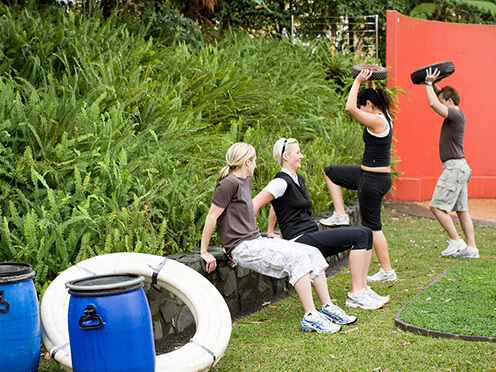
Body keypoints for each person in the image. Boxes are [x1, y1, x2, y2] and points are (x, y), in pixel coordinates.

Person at [200, 142, 350, 334]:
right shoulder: (228, 183)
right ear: (247, 162)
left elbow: (236, 218)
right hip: (243, 247)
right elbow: (212, 216)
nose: (256, 164)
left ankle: (327, 307)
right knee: (298, 258)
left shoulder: (244, 181)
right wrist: (206, 251)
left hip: (254, 241)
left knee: (311, 251)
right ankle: (311, 316)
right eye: (254, 161)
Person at [252, 138, 389, 310]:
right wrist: (253, 235)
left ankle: (363, 289)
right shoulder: (280, 181)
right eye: (297, 153)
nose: (301, 156)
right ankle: (356, 294)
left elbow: (276, 204)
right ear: (285, 157)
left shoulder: (297, 179)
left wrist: (270, 230)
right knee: (361, 234)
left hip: (311, 235)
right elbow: (254, 204)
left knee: (367, 233)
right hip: (299, 240)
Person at [319, 69, 397, 282]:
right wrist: (370, 82)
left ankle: (387, 271)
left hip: (373, 181)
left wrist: (357, 81)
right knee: (331, 173)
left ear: (369, 106)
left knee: (373, 227)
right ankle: (340, 214)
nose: (363, 111)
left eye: (365, 107)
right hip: (366, 175)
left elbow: (350, 108)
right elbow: (371, 99)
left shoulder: (378, 121)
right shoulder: (384, 116)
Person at [423, 68, 478, 258]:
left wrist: (428, 84)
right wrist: (436, 83)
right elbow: (439, 97)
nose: (441, 104)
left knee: (437, 207)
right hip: (460, 167)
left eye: (443, 102)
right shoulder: (457, 113)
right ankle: (471, 249)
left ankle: (456, 241)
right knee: (462, 210)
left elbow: (433, 103)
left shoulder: (454, 114)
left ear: (450, 101)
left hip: (454, 168)